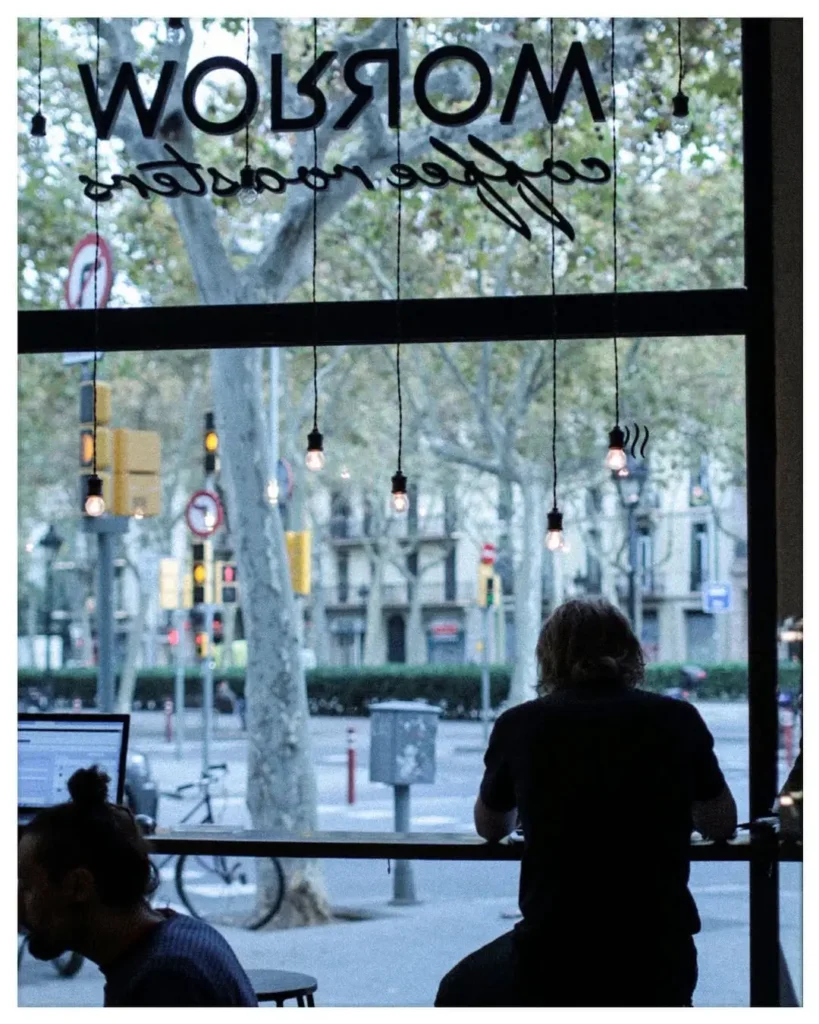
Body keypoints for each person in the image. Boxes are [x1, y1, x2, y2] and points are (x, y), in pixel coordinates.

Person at [435, 598, 737, 1008]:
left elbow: (491, 827)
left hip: (556, 949)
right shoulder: (676, 719)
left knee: (457, 992)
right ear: (630, 652)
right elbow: (721, 823)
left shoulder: (521, 724)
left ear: (550, 657)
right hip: (657, 952)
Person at [18, 766, 257, 1007]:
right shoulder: (172, 939)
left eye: (27, 886)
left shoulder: (164, 983)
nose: (16, 901)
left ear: (79, 886)